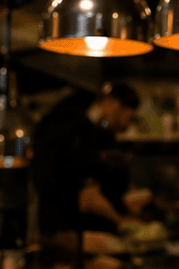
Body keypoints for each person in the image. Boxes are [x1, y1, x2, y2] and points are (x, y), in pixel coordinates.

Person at [33, 80, 144, 242]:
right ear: (111, 103)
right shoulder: (80, 131)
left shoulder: (78, 125)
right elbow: (87, 198)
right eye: (127, 118)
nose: (126, 127)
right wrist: (123, 221)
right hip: (65, 229)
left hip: (58, 224)